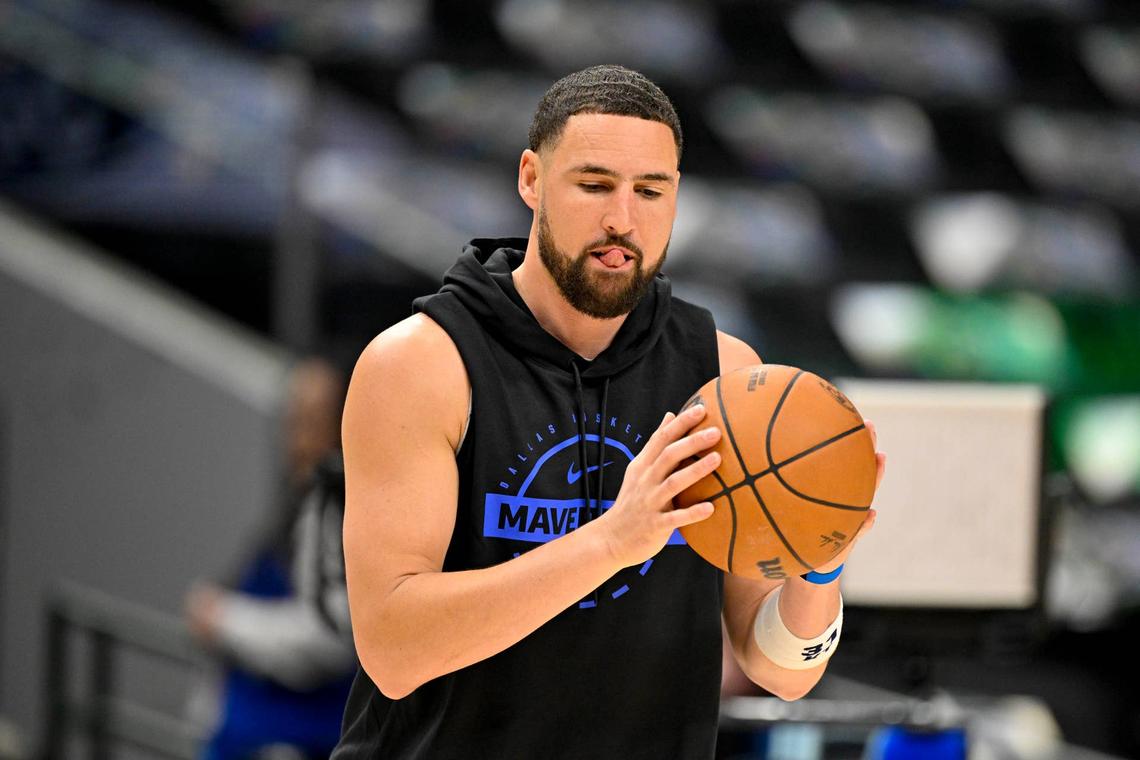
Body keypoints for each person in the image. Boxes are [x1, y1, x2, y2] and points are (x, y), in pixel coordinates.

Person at [332, 65, 886, 759]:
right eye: (594, 185)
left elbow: (781, 670)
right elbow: (393, 649)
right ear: (532, 179)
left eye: (650, 191)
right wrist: (609, 543)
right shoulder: (421, 364)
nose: (622, 219)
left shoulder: (725, 377)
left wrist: (818, 563)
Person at [185, 358, 357, 760]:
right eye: (292, 419)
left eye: (312, 422)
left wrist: (223, 618)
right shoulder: (295, 502)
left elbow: (331, 638)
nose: (297, 440)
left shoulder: (334, 507)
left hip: (301, 735)